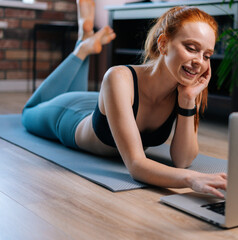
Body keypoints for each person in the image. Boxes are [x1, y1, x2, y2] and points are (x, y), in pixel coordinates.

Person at [22, 0, 227, 198]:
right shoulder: (118, 77)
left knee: (85, 93)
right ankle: (82, 48)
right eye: (191, 48)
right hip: (69, 115)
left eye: (207, 55)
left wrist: (188, 101)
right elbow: (137, 165)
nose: (199, 62)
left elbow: (182, 160)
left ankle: (85, 40)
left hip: (106, 102)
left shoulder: (186, 89)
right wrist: (192, 179)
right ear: (163, 43)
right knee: (28, 111)